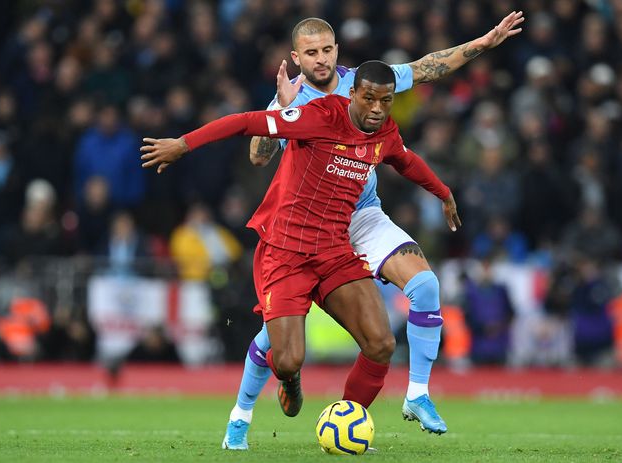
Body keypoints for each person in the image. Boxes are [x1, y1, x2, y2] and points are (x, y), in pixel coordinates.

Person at [222, 12, 524, 448]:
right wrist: (280, 104)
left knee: (425, 286)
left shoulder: (364, 82)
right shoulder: (291, 97)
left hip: (362, 215)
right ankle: (246, 411)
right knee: (279, 342)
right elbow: (258, 155)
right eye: (311, 52)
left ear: (337, 50)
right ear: (296, 57)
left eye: (327, 50)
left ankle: (404, 399)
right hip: (306, 225)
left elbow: (427, 66)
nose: (321, 59)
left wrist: (484, 42)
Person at [140, 61, 459, 448]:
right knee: (289, 359)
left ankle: (347, 423)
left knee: (381, 344)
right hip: (286, 252)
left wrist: (443, 192)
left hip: (335, 251)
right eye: (369, 99)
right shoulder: (319, 117)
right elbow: (246, 122)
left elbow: (406, 160)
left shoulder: (384, 132)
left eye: (385, 101)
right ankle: (274, 389)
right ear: (352, 94)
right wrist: (183, 144)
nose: (377, 108)